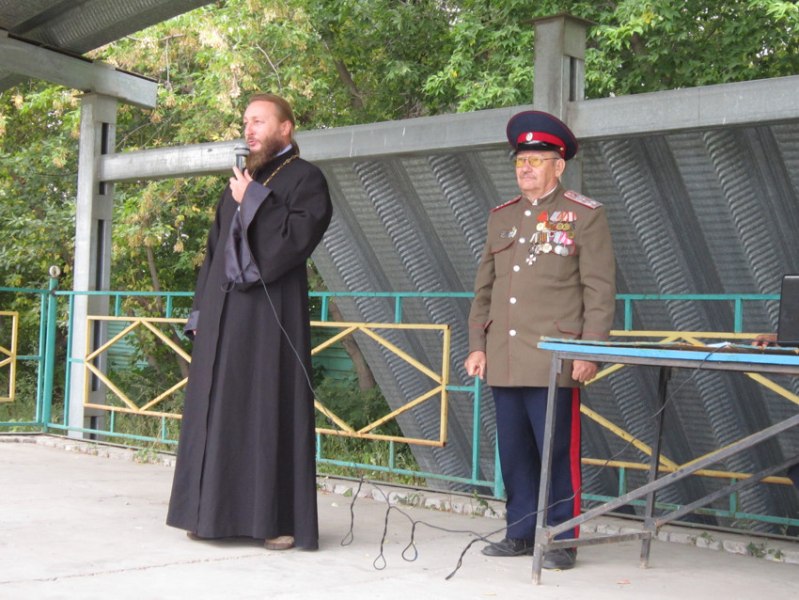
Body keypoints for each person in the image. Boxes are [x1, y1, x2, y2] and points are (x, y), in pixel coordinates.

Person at [167, 93, 333, 551]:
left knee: (266, 411)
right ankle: (211, 516)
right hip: (223, 317)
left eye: (259, 121)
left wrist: (254, 199)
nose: (249, 130)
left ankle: (275, 521)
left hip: (269, 319)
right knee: (218, 413)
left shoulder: (306, 179)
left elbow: (296, 240)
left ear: (285, 128)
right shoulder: (241, 181)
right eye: (246, 122)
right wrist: (200, 313)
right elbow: (214, 253)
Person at [464, 110, 616, 569]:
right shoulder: (502, 217)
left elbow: (599, 289)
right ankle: (520, 533)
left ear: (559, 165)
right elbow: (485, 288)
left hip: (555, 358)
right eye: (520, 160)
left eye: (535, 160)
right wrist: (477, 344)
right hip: (505, 356)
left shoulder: (585, 215)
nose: (525, 167)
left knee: (557, 452)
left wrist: (589, 350)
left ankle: (563, 539)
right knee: (514, 452)